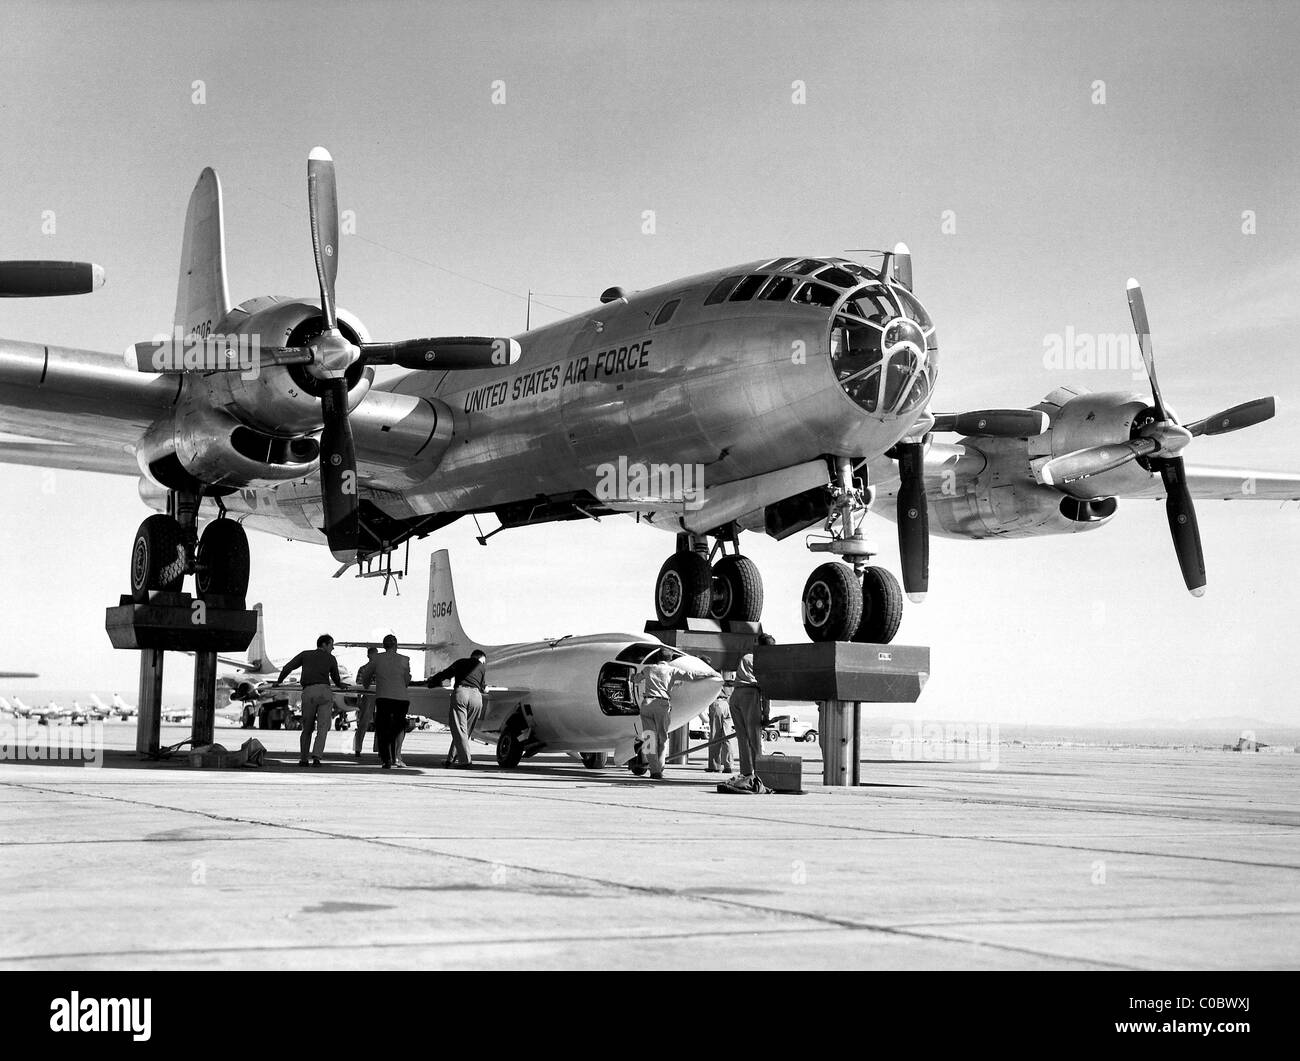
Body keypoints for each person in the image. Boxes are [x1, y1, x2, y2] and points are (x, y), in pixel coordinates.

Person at [633, 648, 717, 780]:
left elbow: (636, 679)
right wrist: (710, 674)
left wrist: (633, 677)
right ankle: (658, 769)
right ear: (670, 659)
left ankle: (654, 769)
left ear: (657, 657)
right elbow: (692, 676)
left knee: (649, 739)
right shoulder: (672, 670)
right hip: (662, 705)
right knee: (662, 739)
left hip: (647, 704)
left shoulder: (648, 669)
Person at [275, 634, 347, 767]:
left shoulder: (305, 655)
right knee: (323, 728)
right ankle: (317, 758)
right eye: (331, 645)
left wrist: (278, 682)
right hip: (325, 692)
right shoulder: (331, 658)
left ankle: (303, 759)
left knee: (307, 728)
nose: (332, 648)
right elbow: (336, 679)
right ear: (324, 645)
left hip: (308, 692)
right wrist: (341, 685)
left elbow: (287, 668)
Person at [725, 633, 776, 793]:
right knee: (754, 737)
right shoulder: (765, 662)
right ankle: (760, 775)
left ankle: (746, 774)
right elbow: (766, 689)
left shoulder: (746, 657)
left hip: (736, 695)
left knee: (742, 738)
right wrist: (766, 714)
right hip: (750, 695)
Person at [428, 649, 486, 768]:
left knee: (460, 730)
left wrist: (431, 682)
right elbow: (483, 687)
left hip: (462, 694)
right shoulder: (481, 667)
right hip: (476, 698)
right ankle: (451, 760)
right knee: (465, 731)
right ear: (479, 658)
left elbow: (445, 674)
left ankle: (465, 761)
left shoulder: (460, 662)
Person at [369, 634, 412, 769]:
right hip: (401, 699)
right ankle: (398, 756)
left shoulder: (376, 658)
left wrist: (365, 684)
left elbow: (366, 674)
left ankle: (386, 759)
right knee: (399, 728)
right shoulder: (404, 660)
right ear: (396, 645)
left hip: (383, 698)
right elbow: (406, 680)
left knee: (382, 729)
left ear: (383, 646)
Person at [353, 647, 378, 758]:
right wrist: (359, 698)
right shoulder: (363, 669)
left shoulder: (381, 668)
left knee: (380, 723)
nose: (374, 656)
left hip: (379, 695)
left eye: (375, 654)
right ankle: (358, 748)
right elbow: (358, 685)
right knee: (363, 723)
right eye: (372, 654)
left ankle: (379, 748)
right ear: (368, 655)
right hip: (368, 696)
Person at [706, 672, 734, 774]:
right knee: (727, 737)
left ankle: (714, 765)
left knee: (715, 736)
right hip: (727, 703)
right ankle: (728, 765)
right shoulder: (729, 676)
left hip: (717, 703)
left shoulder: (712, 675)